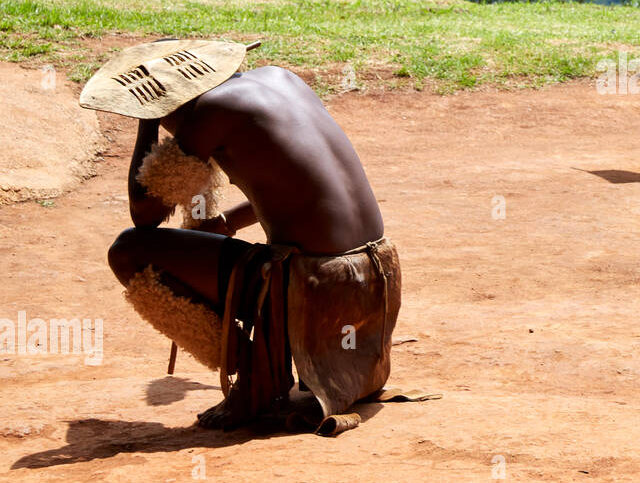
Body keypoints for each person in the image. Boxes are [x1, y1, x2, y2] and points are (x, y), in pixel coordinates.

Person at [80, 39, 401, 431]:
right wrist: (228, 224)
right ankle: (296, 367)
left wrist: (146, 120)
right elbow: (304, 185)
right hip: (375, 280)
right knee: (203, 244)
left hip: (316, 287)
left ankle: (254, 379)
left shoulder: (211, 111)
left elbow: (144, 213)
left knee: (128, 251)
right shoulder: (281, 79)